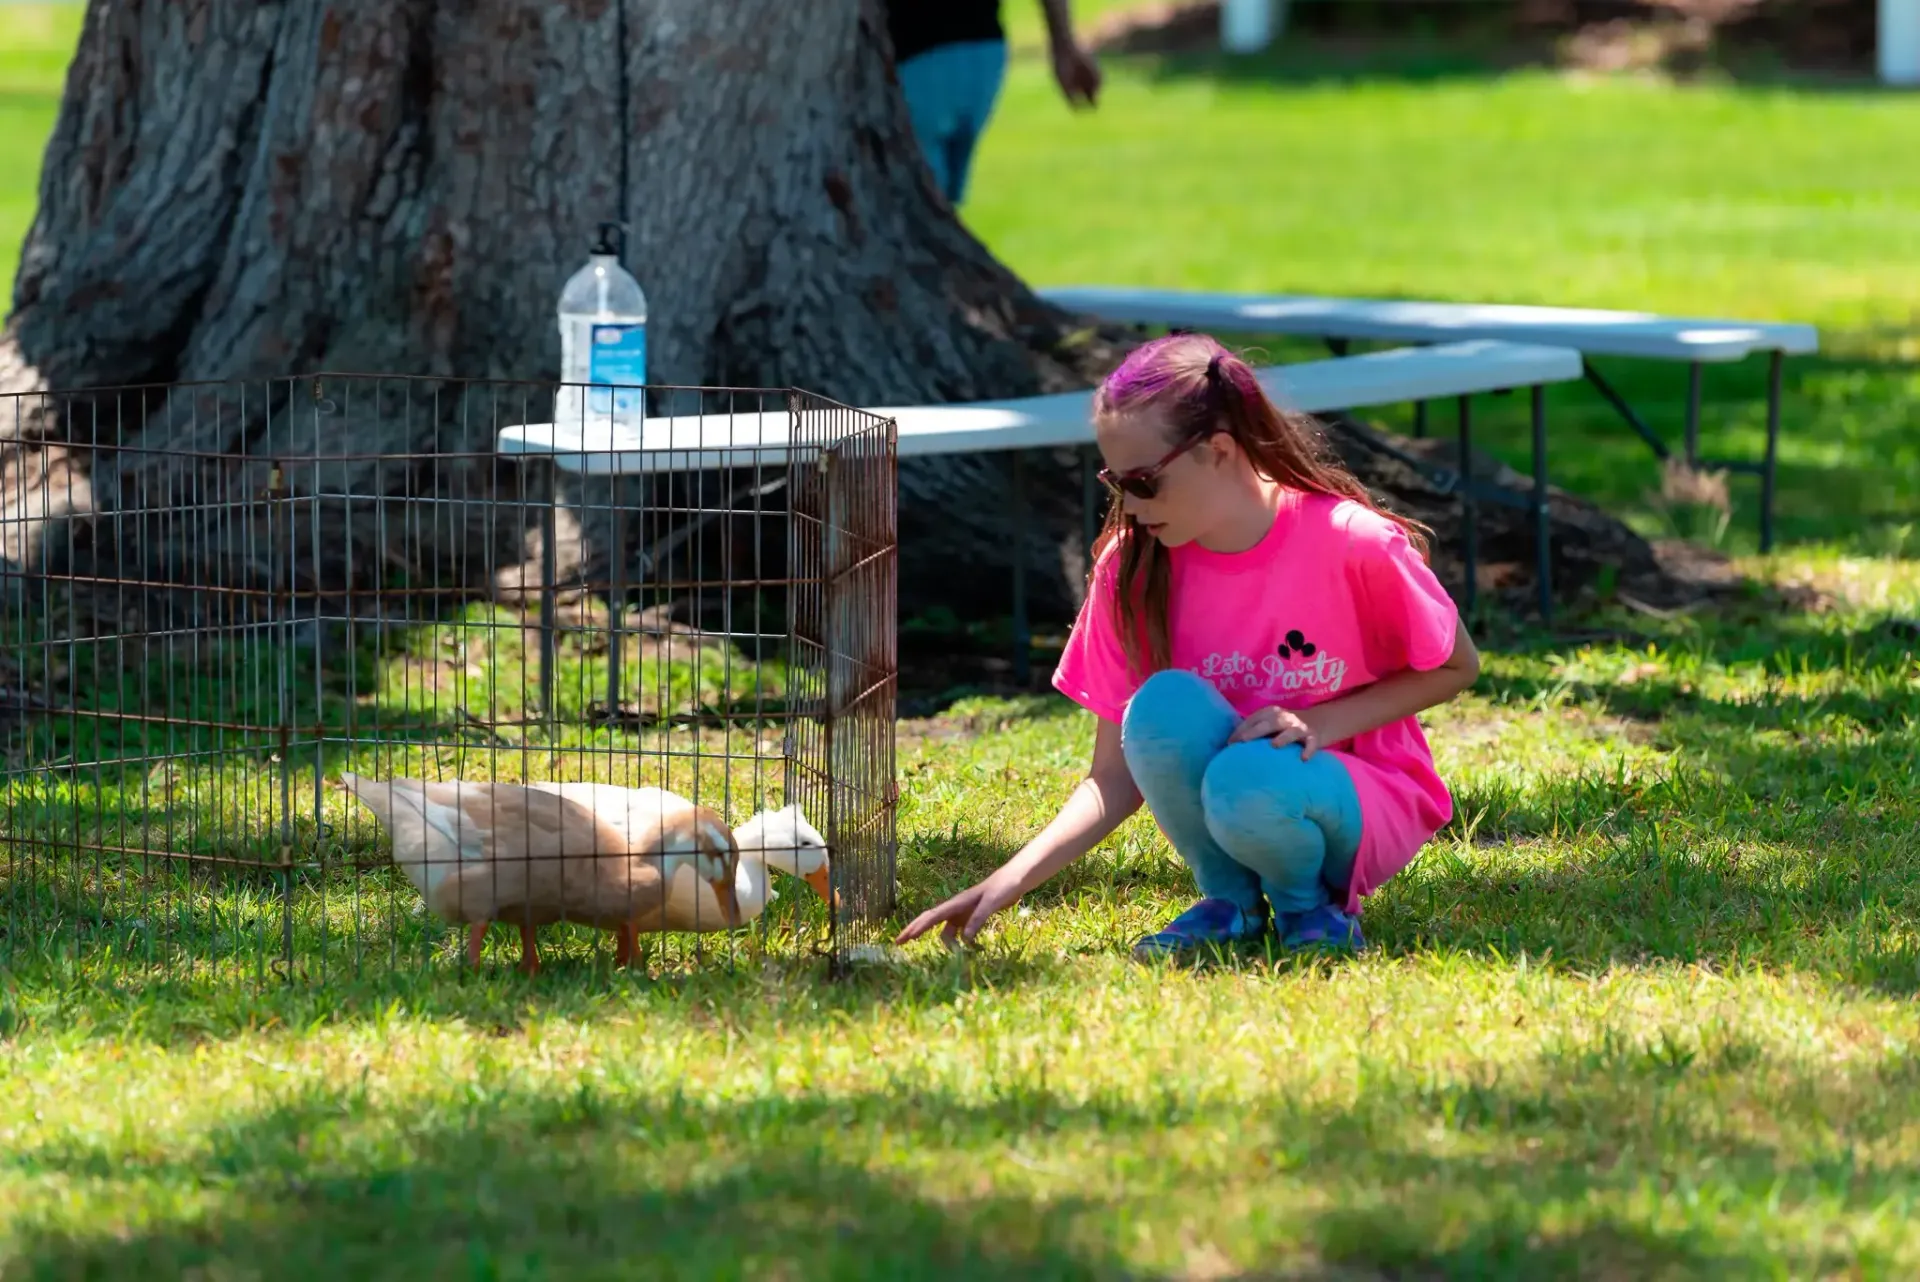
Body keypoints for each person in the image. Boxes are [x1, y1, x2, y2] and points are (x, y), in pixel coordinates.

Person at [895, 333, 1482, 960]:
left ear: (1219, 450)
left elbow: (1456, 666)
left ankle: (1309, 909)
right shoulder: (1134, 567)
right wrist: (1009, 879)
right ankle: (1230, 903)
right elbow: (1113, 779)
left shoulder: (1351, 540)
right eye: (1115, 482)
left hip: (1356, 799)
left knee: (1250, 775)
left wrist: (1317, 722)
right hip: (1241, 794)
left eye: (1145, 482)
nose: (1128, 505)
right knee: (1163, 705)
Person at [885, 0, 1102, 207]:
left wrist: (1064, 47)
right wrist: (1064, 43)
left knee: (911, 205)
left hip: (916, 54)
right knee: (933, 209)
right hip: (984, 54)